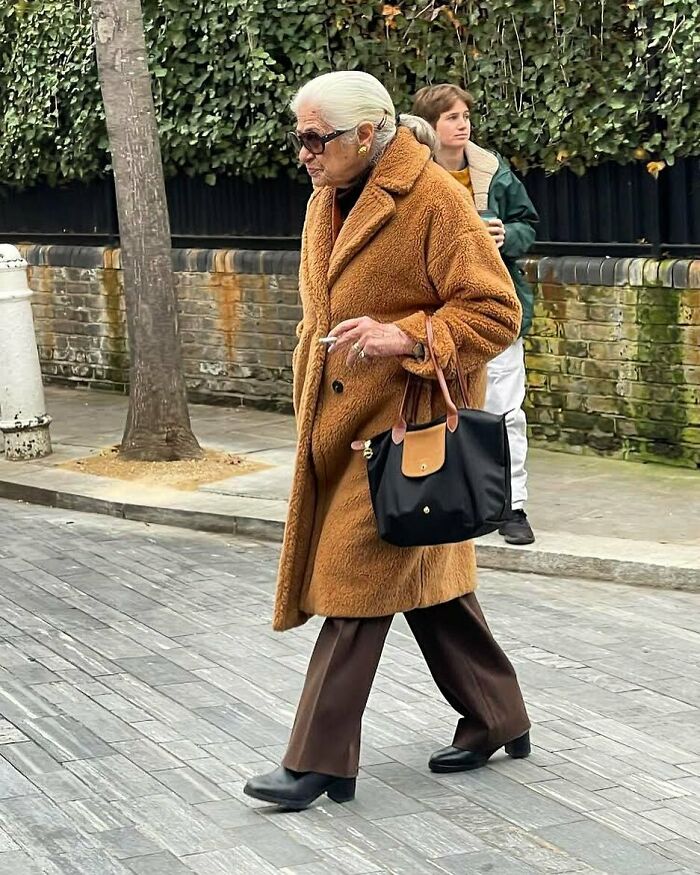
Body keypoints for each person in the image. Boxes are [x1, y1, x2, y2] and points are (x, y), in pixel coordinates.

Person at [243, 70, 531, 811]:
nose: (304, 152)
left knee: (355, 583)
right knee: (429, 586)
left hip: (404, 428)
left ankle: (317, 758)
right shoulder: (325, 199)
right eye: (299, 137)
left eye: (317, 137)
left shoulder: (433, 198)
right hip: (337, 428)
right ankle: (498, 714)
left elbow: (497, 313)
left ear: (367, 134)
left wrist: (406, 335)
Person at [412, 84, 539, 546]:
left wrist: (509, 236)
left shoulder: (493, 172)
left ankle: (511, 505)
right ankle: (449, 500)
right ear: (429, 125)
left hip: (495, 309)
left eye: (465, 115)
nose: (462, 124)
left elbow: (529, 222)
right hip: (434, 314)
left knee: (505, 411)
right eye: (450, 117)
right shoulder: (412, 176)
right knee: (440, 409)